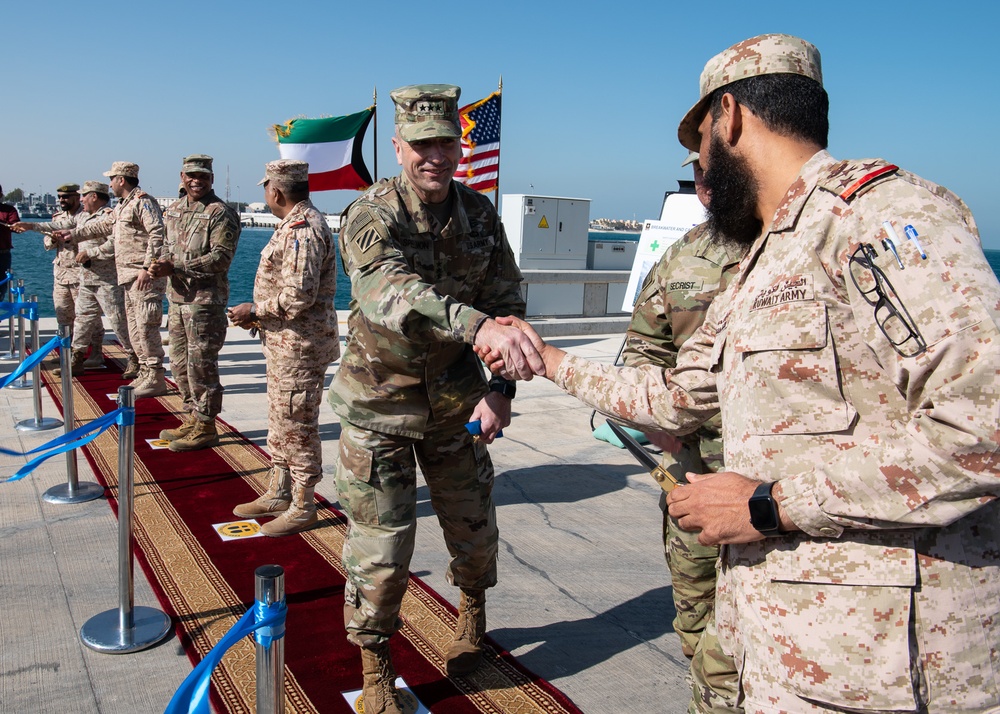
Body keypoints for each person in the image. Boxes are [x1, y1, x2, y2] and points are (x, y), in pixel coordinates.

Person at [483, 34, 1000, 712]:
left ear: (728, 118)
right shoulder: (766, 256)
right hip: (794, 657)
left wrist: (769, 504)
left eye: (700, 143)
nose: (700, 164)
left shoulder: (879, 217)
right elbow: (676, 399)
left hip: (891, 672)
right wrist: (546, 359)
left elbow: (982, 428)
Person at [328, 84, 542, 714]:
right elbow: (386, 292)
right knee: (383, 553)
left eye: (445, 141)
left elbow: (509, 302)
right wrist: (476, 327)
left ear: (458, 143)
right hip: (379, 411)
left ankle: (471, 619)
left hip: (456, 411)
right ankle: (375, 669)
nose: (434, 155)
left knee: (474, 534)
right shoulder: (371, 213)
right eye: (421, 144)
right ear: (398, 147)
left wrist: (499, 390)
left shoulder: (480, 216)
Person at [622, 150, 742, 714]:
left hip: (775, 483)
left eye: (718, 171)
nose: (709, 185)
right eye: (699, 175)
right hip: (692, 473)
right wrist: (667, 433)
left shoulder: (798, 247)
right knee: (695, 612)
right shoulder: (681, 258)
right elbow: (641, 351)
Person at [228, 159, 338, 535]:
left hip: (301, 348)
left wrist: (254, 310)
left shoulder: (303, 230)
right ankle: (279, 491)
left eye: (265, 189)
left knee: (297, 425)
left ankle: (305, 505)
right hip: (285, 346)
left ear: (275, 191)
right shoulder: (292, 226)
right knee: (281, 420)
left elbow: (299, 296)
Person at [150, 155, 240, 451]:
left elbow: (221, 258)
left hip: (204, 302)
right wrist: (158, 263)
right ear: (182, 176)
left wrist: (175, 267)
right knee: (179, 363)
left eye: (202, 176)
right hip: (177, 299)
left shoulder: (220, 213)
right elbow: (165, 245)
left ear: (211, 179)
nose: (196, 181)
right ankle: (191, 415)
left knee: (201, 365)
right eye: (191, 175)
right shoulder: (174, 210)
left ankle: (206, 424)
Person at [59, 161, 168, 395]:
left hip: (143, 277)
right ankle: (145, 373)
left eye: (112, 179)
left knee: (147, 327)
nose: (109, 184)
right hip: (127, 277)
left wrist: (147, 267)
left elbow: (158, 234)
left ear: (121, 179)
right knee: (135, 329)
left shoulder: (143, 202)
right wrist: (73, 234)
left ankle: (156, 376)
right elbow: (102, 227)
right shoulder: (122, 207)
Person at [13, 183, 106, 372]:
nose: (62, 201)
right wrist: (53, 239)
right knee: (63, 314)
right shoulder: (57, 217)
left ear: (76, 197)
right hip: (62, 273)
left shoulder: (87, 215)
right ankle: (67, 351)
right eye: (60, 197)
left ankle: (96, 353)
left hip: (82, 273)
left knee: (89, 317)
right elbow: (47, 243)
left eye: (66, 197)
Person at [0, 185, 19, 277]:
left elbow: (17, 228)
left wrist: (2, 224)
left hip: (2, 256)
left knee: (2, 286)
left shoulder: (9, 210)